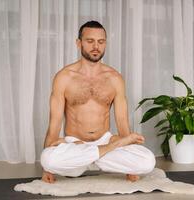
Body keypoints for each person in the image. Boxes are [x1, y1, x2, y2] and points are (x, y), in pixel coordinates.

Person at [40, 20, 156, 183]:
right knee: (48, 159)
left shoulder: (115, 78)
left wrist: (131, 166)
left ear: (105, 44)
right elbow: (54, 124)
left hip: (102, 140)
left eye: (101, 42)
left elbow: (122, 122)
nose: (96, 46)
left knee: (148, 161)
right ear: (78, 43)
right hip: (75, 143)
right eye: (90, 41)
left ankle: (94, 155)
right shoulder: (64, 77)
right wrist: (47, 168)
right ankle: (104, 152)